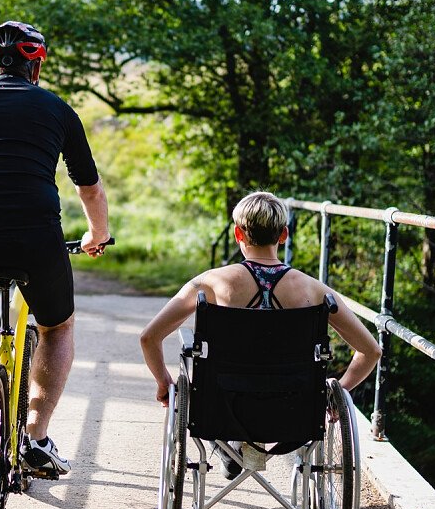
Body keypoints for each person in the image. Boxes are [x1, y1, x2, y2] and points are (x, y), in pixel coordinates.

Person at [0, 20, 110, 478]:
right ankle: (35, 435)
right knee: (58, 326)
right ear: (37, 67)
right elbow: (89, 189)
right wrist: (97, 235)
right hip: (36, 236)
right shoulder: (57, 109)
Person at [138, 191, 380, 477]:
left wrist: (164, 382)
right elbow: (371, 351)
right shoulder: (315, 290)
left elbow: (149, 337)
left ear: (238, 233)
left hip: (222, 409)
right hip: (294, 412)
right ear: (284, 235)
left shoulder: (210, 283)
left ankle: (232, 447)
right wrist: (338, 394)